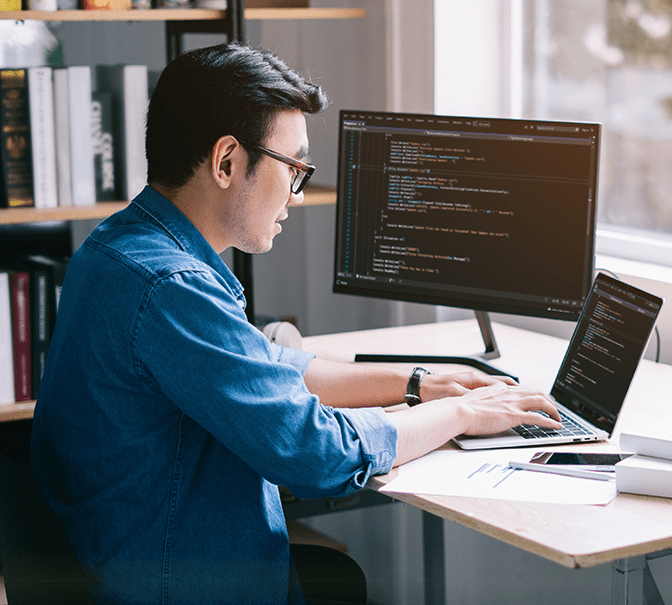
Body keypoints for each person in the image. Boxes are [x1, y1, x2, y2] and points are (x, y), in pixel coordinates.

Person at [29, 42, 561, 605]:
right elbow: (317, 454)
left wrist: (419, 383)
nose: (296, 195)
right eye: (295, 168)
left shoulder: (118, 247)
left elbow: (269, 364)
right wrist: (458, 413)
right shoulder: (172, 288)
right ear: (227, 161)